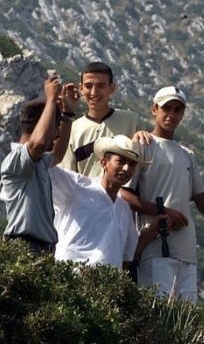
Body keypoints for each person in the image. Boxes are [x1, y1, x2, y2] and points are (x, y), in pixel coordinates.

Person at [120, 86, 204, 302]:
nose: (171, 115)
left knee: (185, 318)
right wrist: (163, 211)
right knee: (157, 314)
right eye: (167, 108)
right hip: (154, 248)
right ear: (154, 109)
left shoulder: (187, 155)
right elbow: (124, 194)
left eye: (177, 110)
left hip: (186, 250)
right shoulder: (142, 146)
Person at [50, 135, 157, 268]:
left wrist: (150, 232)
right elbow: (45, 166)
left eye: (132, 164)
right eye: (121, 161)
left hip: (104, 287)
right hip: (69, 279)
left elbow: (128, 256)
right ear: (104, 163)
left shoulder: (124, 209)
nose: (126, 169)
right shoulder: (78, 186)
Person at [1, 75, 79, 254]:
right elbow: (38, 143)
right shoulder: (17, 159)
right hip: (25, 246)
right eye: (55, 127)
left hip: (42, 247)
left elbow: (58, 155)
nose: (57, 134)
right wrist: (51, 99)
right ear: (40, 127)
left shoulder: (39, 162)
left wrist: (67, 115)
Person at [59, 61, 141, 178]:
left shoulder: (132, 121)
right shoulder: (72, 130)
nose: (94, 92)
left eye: (101, 86)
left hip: (123, 195)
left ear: (112, 88)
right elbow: (67, 175)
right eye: (88, 86)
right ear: (81, 89)